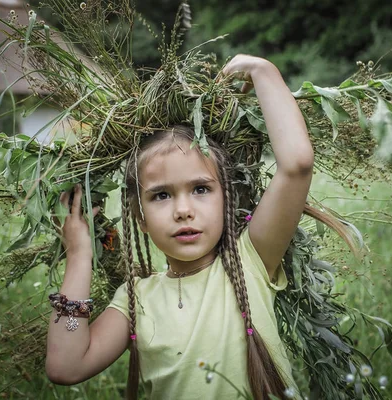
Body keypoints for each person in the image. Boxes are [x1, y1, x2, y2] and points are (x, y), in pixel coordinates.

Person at [45, 54, 315, 400]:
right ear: (139, 217)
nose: (183, 210)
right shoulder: (136, 300)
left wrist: (261, 70)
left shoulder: (251, 260)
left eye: (201, 189)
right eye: (161, 196)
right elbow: (65, 367)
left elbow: (297, 165)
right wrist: (80, 254)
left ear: (226, 200)